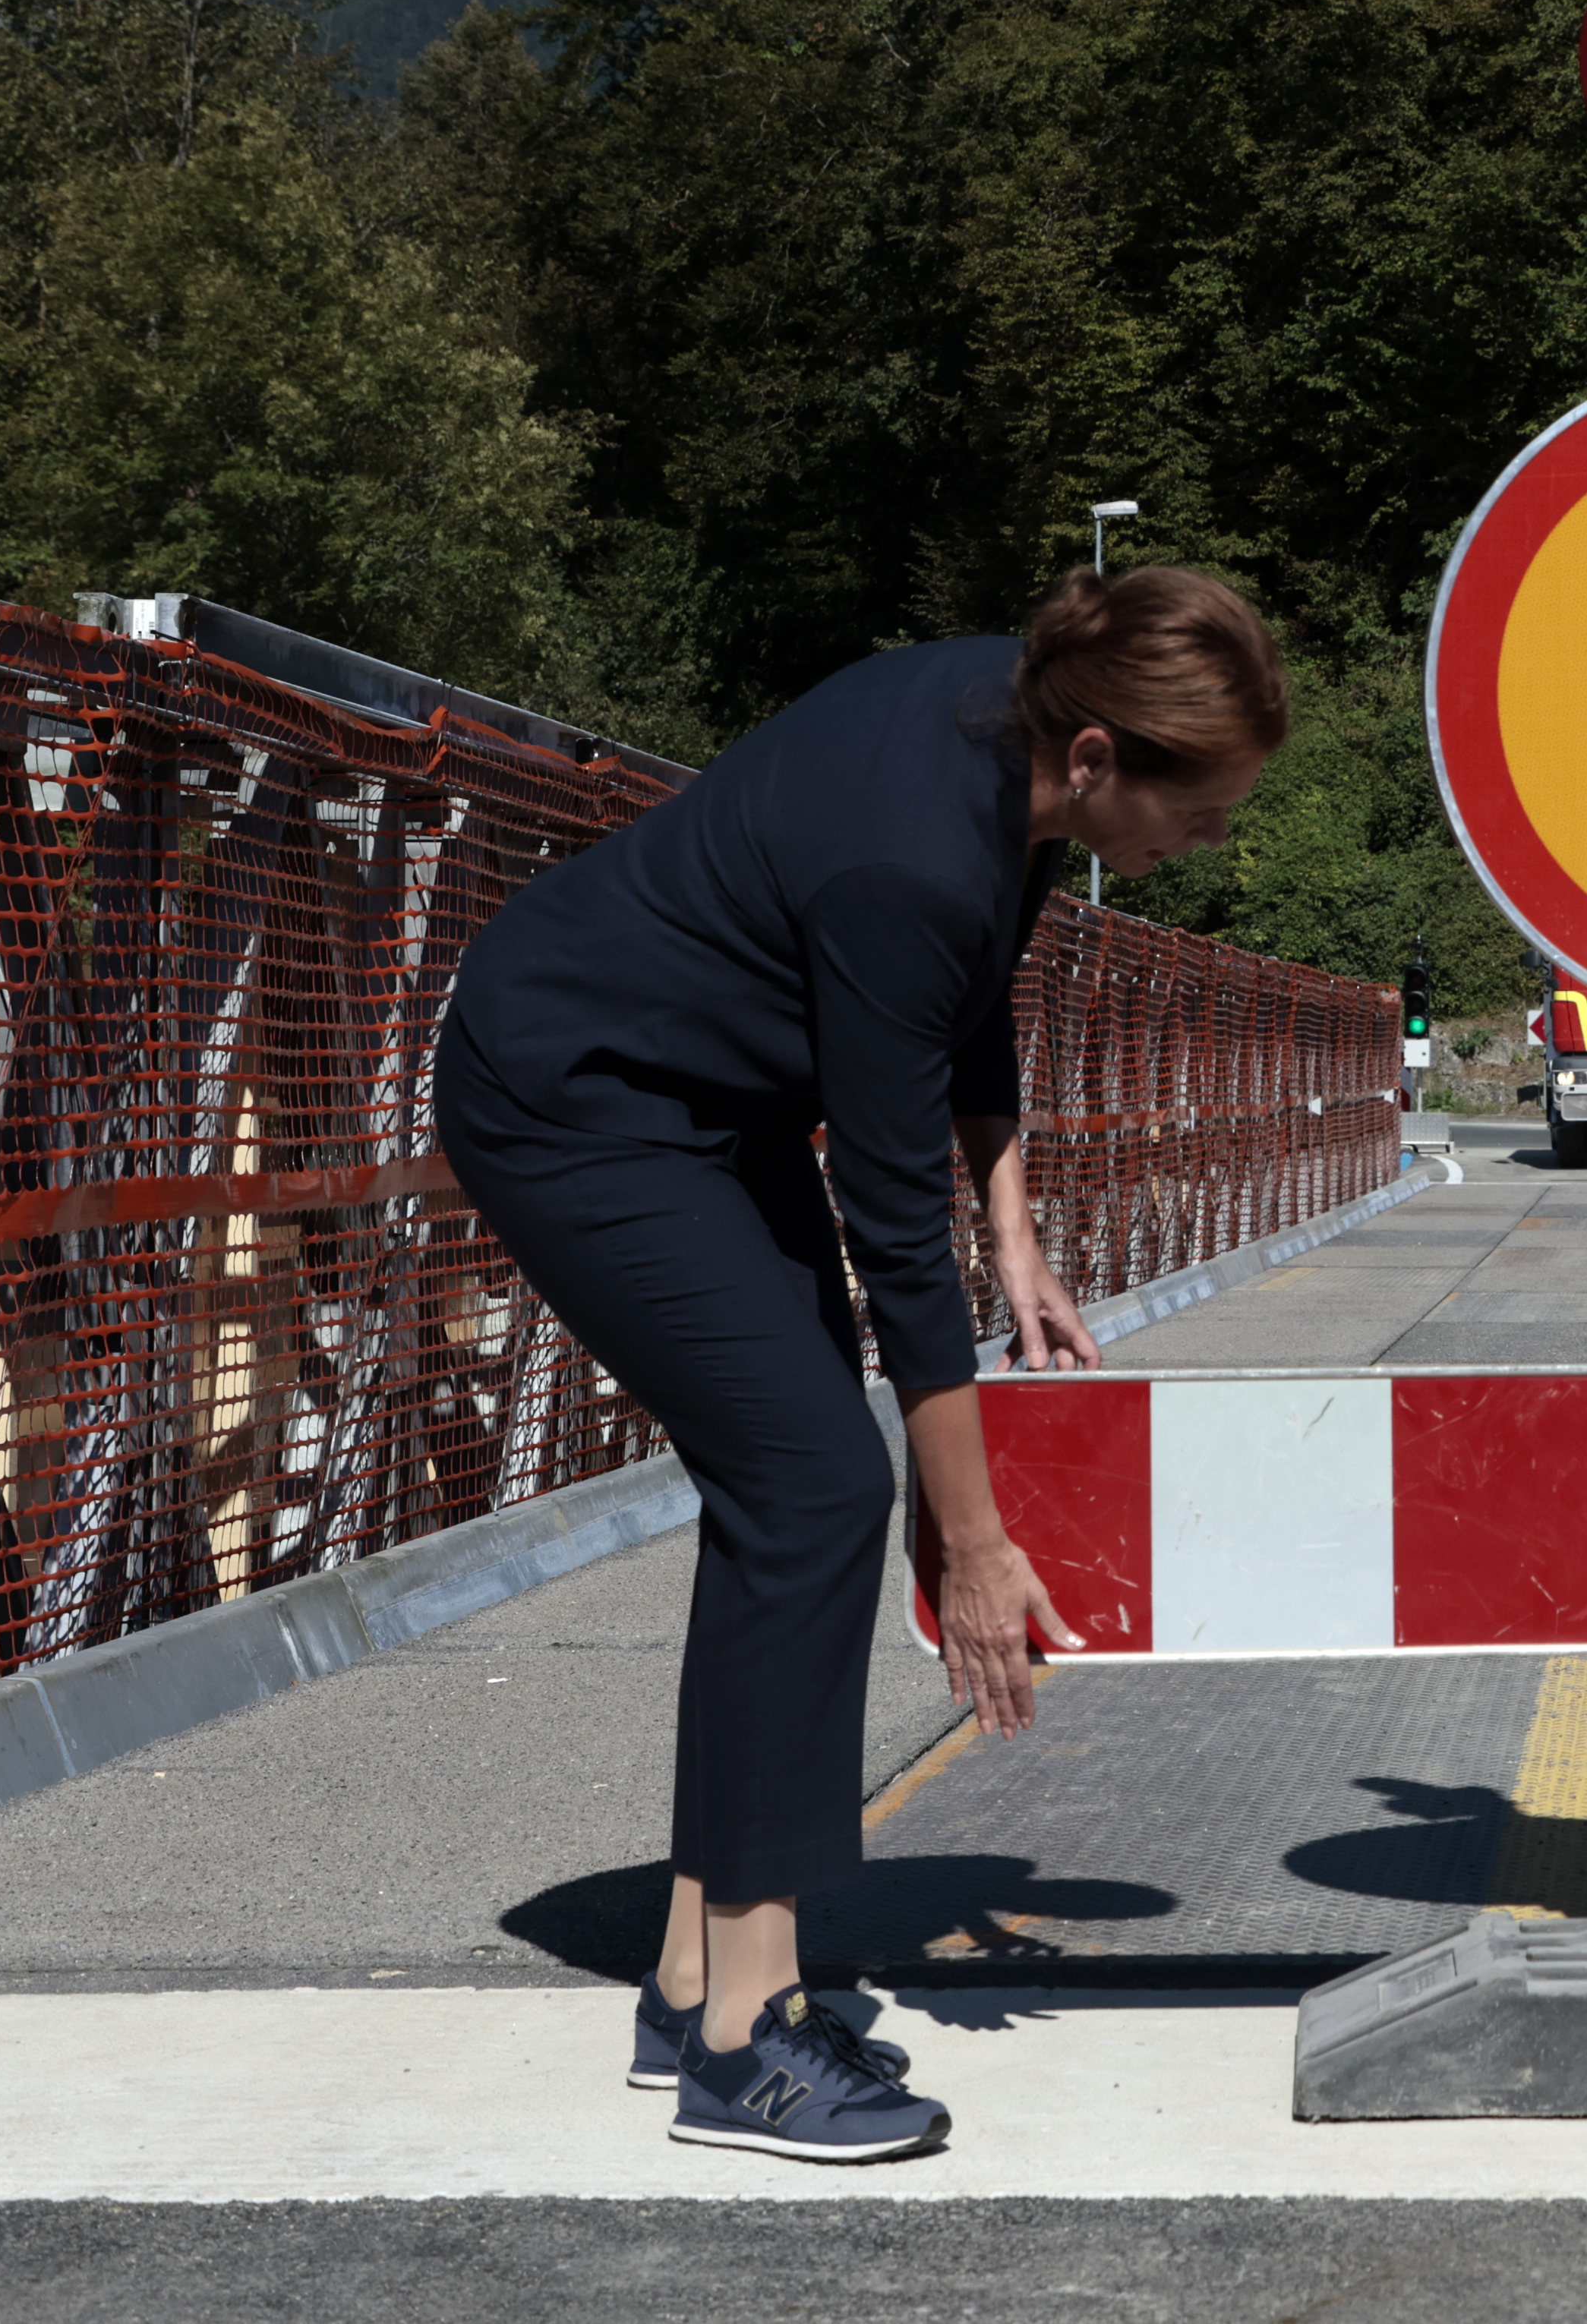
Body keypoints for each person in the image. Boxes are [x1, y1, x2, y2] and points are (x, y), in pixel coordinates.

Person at [434, 566, 1286, 2162]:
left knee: (792, 1494)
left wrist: (1017, 1230)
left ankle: (694, 1976)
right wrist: (967, 1546)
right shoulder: (908, 851)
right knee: (821, 1483)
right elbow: (893, 1244)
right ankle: (748, 2045)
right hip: (572, 1097)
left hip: (707, 1100)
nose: (1211, 844)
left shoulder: (1005, 719)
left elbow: (970, 1010)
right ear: (1097, 757)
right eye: (1205, 808)